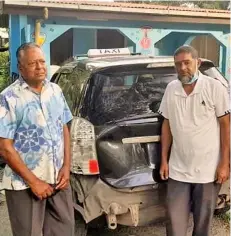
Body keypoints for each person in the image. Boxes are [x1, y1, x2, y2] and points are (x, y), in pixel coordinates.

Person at [0, 42, 74, 236]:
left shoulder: (55, 91)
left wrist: (67, 166)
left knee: (64, 231)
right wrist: (34, 182)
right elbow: (4, 147)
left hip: (58, 179)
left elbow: (64, 127)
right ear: (21, 68)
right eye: (33, 63)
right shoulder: (8, 98)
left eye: (42, 61)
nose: (40, 67)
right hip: (24, 184)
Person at [158, 45, 230, 236]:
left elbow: (225, 125)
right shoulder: (171, 89)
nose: (183, 68)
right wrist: (164, 159)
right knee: (174, 225)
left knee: (202, 226)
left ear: (197, 63)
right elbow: (167, 124)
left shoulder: (214, 88)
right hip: (178, 170)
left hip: (208, 171)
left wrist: (225, 163)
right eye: (178, 64)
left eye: (187, 63)